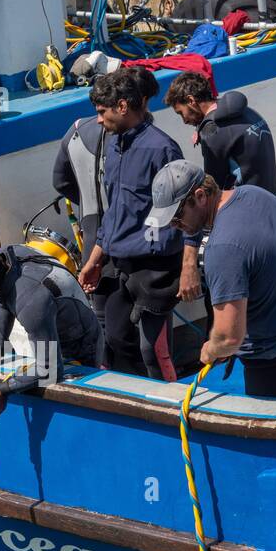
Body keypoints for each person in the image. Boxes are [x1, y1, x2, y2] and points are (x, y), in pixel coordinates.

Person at [146, 161, 276, 399]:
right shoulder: (257, 195)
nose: (174, 226)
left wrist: (211, 349)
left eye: (177, 216)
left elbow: (229, 337)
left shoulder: (223, 248)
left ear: (200, 196)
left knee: (274, 429)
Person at [77, 69, 196, 381]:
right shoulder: (115, 148)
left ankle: (171, 406)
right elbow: (115, 212)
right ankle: (141, 401)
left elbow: (188, 213)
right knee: (116, 337)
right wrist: (94, 261)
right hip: (121, 266)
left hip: (156, 271)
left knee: (153, 350)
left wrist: (188, 266)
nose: (99, 121)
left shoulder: (162, 149)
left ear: (122, 106)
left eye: (102, 113)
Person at [52, 65, 159, 364]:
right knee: (146, 336)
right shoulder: (136, 137)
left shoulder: (74, 132)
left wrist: (87, 203)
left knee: (105, 327)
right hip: (134, 245)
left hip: (93, 240)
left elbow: (60, 182)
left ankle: (115, 387)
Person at [0, 243, 103, 422]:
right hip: (56, 324)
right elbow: (2, 295)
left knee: (76, 416)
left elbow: (49, 370)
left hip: (81, 345)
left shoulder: (31, 300)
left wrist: (2, 390)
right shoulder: (6, 257)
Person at [165, 73, 276, 195]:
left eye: (181, 113)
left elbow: (213, 188)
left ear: (191, 100)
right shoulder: (245, 111)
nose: (184, 120)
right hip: (271, 199)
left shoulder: (212, 131)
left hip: (249, 207)